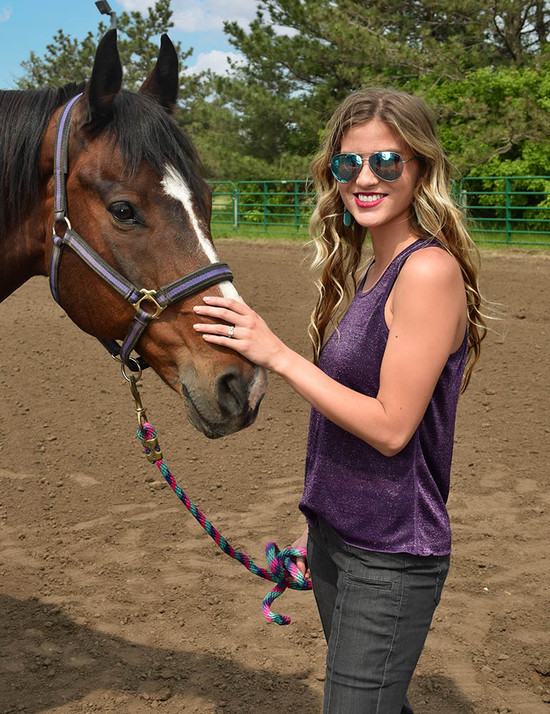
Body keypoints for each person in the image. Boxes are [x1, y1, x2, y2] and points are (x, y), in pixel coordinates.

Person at [192, 87, 486, 713]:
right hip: (337, 542)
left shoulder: (427, 272)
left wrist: (277, 354)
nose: (365, 178)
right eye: (348, 163)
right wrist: (317, 524)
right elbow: (345, 431)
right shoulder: (369, 273)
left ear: (421, 168)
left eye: (386, 161)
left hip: (390, 557)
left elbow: (390, 428)